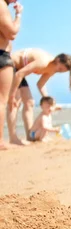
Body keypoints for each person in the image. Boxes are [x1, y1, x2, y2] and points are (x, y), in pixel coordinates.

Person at [8, 49, 71, 142]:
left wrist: (50, 103)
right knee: (15, 102)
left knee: (29, 102)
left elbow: (40, 84)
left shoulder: (52, 69)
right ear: (58, 60)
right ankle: (13, 138)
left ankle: (30, 137)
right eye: (59, 69)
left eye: (61, 71)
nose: (57, 71)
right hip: (8, 66)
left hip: (18, 71)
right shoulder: (43, 62)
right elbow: (19, 74)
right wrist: (12, 95)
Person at [0, 0, 22, 149]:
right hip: (2, 55)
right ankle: (0, 141)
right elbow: (12, 33)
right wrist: (18, 14)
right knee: (2, 100)